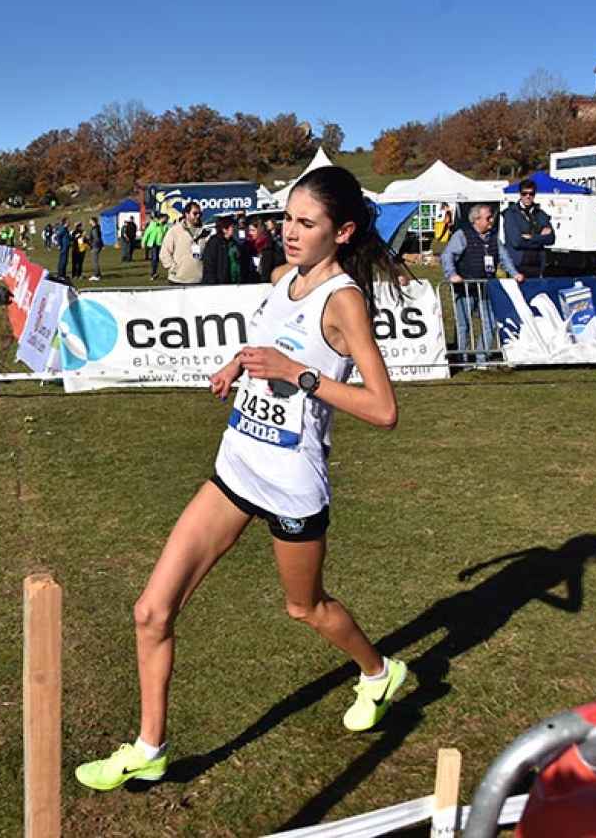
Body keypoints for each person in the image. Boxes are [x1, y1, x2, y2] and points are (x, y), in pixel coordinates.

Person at [74, 167, 404, 792]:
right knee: (151, 610)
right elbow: (268, 337)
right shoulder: (282, 278)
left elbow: (383, 409)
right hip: (236, 468)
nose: (291, 233)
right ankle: (149, 746)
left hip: (292, 487)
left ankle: (377, 671)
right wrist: (237, 364)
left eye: (307, 224)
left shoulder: (344, 302)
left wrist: (297, 373)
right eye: (287, 219)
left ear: (344, 231)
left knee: (304, 607)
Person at [441, 204, 520, 364]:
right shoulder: (462, 235)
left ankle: (481, 358)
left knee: (490, 323)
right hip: (465, 288)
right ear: (476, 220)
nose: (491, 220)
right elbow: (447, 255)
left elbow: (504, 257)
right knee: (464, 325)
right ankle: (462, 360)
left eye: (491, 217)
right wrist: (452, 275)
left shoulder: (493, 237)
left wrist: (515, 274)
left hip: (487, 287)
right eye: (488, 217)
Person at [501, 183, 554, 279]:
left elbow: (551, 239)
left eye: (531, 194)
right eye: (524, 193)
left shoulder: (540, 214)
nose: (528, 196)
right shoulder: (511, 214)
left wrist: (532, 237)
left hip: (538, 264)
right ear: (520, 194)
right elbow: (516, 242)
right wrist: (540, 238)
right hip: (518, 265)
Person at [159, 203, 206, 285]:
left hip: (199, 280)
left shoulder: (205, 232)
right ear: (186, 214)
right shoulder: (174, 231)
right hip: (178, 280)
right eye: (195, 213)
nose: (198, 216)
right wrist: (173, 268)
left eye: (200, 214)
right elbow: (164, 252)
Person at [200, 215, 241, 285]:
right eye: (232, 226)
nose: (234, 228)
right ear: (224, 229)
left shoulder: (234, 243)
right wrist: (213, 284)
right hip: (217, 285)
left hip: (233, 283)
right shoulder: (214, 243)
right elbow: (209, 265)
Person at [142, 214, 167, 280]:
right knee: (154, 258)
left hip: (160, 244)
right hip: (153, 244)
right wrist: (143, 242)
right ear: (161, 218)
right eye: (165, 218)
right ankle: (153, 273)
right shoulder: (153, 225)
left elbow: (165, 235)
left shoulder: (164, 226)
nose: (166, 220)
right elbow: (147, 233)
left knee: (157, 259)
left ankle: (154, 273)